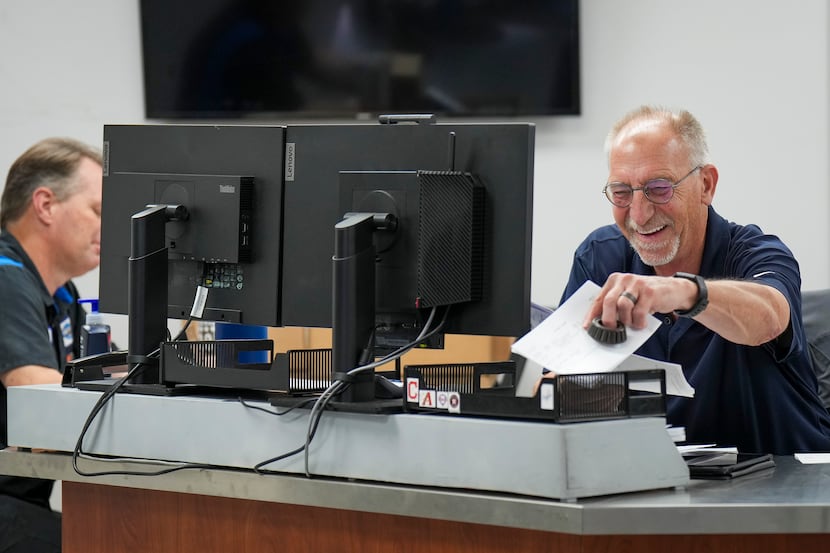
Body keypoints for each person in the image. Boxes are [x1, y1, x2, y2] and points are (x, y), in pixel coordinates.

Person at [560, 105, 830, 455]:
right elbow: (567, 378)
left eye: (659, 188)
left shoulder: (756, 252)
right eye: (622, 192)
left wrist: (682, 292)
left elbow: (770, 317)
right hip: (658, 484)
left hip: (783, 489)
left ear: (706, 185)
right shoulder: (599, 257)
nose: (639, 215)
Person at [0, 137, 103, 552]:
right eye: (97, 211)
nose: (110, 226)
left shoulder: (64, 296)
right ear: (45, 205)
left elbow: (100, 374)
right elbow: (37, 395)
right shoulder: (5, 279)